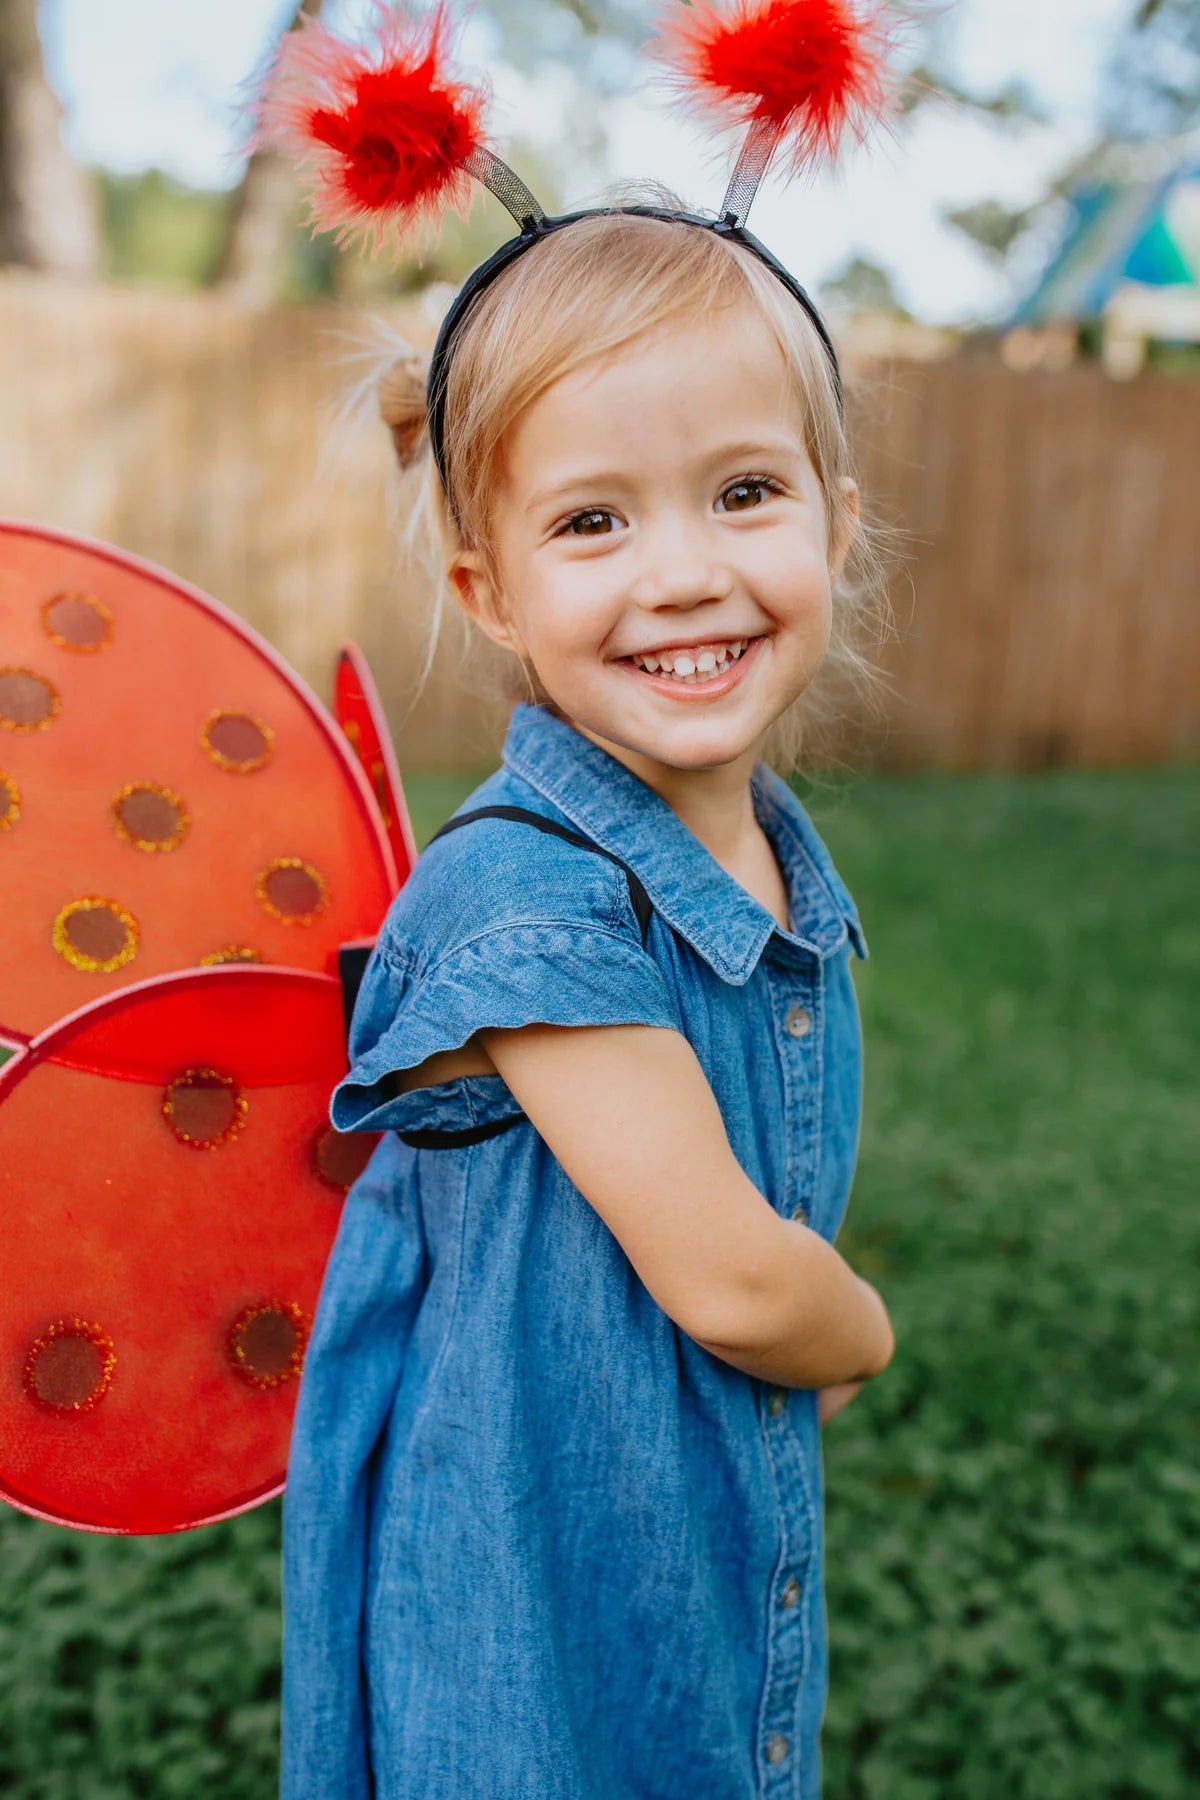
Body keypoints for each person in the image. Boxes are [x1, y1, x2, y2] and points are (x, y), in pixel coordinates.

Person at [280, 203, 896, 1799]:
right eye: (593, 525)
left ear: (835, 520)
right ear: (488, 590)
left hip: (671, 1526)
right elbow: (740, 1284)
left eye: (744, 494)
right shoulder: (529, 898)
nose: (684, 574)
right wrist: (854, 1324)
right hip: (522, 1594)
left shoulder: (767, 849)